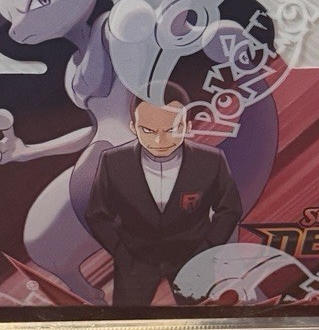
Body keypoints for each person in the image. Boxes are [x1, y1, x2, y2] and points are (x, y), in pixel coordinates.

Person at [85, 88, 242, 306]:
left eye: (171, 130)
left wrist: (206, 248)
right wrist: (121, 252)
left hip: (194, 261)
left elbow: (230, 209)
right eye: (148, 130)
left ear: (187, 126)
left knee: (200, 321)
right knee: (129, 322)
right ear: (133, 127)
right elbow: (96, 215)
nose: (160, 140)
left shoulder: (211, 161)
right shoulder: (113, 162)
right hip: (134, 263)